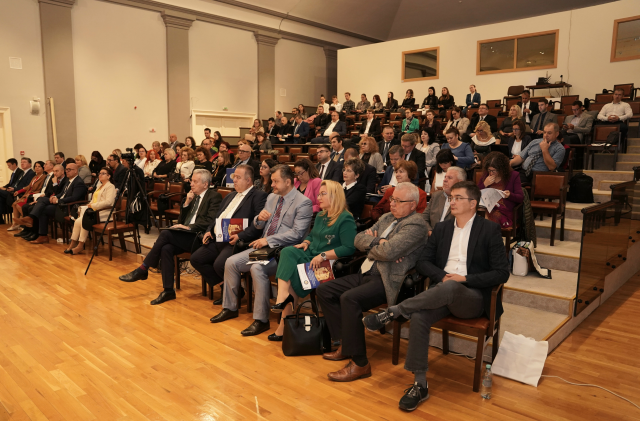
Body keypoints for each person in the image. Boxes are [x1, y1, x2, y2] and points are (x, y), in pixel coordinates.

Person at [362, 181, 510, 412]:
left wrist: (464, 279)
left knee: (450, 287)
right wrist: (442, 276)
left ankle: (395, 311)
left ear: (473, 203)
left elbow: (501, 273)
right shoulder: (442, 228)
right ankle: (419, 384)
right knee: (420, 316)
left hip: (471, 297)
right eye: (451, 198)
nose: (452, 201)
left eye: (458, 198)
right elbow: (423, 262)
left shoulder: (489, 230)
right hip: (440, 291)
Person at [318, 182, 427, 382]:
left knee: (349, 298)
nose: (392, 204)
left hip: (388, 280)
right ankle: (346, 344)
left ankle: (360, 364)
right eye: (392, 199)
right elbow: (357, 240)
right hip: (366, 272)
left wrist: (376, 247)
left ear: (412, 205)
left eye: (398, 201)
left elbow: (389, 252)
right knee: (325, 290)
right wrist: (378, 242)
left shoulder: (416, 224)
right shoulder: (386, 218)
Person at [210, 165, 313, 337]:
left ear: (288, 182)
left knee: (257, 268)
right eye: (272, 181)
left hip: (283, 252)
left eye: (275, 181)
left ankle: (261, 320)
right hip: (263, 247)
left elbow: (297, 234)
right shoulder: (272, 197)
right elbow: (258, 224)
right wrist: (259, 219)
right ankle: (230, 308)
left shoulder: (303, 202)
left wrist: (268, 240)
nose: (272, 185)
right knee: (231, 262)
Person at [119, 170, 223, 304]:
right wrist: (186, 203)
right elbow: (181, 220)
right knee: (166, 248)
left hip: (199, 237)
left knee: (166, 234)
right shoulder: (193, 197)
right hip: (187, 235)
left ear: (205, 184)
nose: (191, 184)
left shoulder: (214, 196)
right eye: (191, 181)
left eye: (195, 181)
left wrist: (189, 227)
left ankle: (143, 268)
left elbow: (210, 221)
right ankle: (168, 291)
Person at [270, 180, 357, 338]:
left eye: (323, 194)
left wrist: (323, 255)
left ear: (335, 196)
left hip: (327, 263)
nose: (318, 197)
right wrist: (306, 242)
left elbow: (349, 248)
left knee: (291, 276)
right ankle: (282, 297)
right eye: (319, 194)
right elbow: (312, 235)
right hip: (310, 255)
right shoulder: (321, 216)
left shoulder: (345, 219)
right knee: (287, 251)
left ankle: (283, 325)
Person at [188, 166, 268, 297]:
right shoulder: (230, 195)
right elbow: (217, 217)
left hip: (237, 241)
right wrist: (209, 230)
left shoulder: (259, 196)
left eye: (238, 177)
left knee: (219, 265)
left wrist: (240, 236)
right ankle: (229, 289)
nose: (234, 180)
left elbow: (257, 225)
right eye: (234, 177)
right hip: (218, 237)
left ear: (248, 180)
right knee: (196, 259)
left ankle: (231, 294)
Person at [16, 163, 87, 244]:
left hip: (67, 207)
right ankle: (32, 221)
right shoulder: (70, 180)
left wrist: (58, 200)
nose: (67, 171)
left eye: (69, 170)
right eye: (66, 169)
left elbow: (74, 198)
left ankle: (41, 234)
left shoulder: (78, 182)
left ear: (75, 171)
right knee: (41, 199)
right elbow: (62, 193)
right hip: (60, 204)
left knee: (43, 210)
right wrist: (55, 197)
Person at [64, 166, 117, 255]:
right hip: (94, 211)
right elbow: (93, 200)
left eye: (103, 173)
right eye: (99, 173)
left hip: (104, 212)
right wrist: (89, 205)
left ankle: (80, 245)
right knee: (78, 221)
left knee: (83, 220)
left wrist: (93, 206)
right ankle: (73, 243)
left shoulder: (110, 186)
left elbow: (109, 202)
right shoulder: (99, 186)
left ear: (109, 176)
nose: (100, 175)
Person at [15, 163, 63, 241]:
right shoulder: (52, 178)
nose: (55, 173)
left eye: (56, 171)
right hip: (50, 199)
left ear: (62, 171)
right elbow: (50, 192)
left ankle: (36, 232)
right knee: (26, 206)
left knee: (36, 208)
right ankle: (28, 230)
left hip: (58, 203)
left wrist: (54, 184)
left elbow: (58, 193)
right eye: (54, 171)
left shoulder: (62, 180)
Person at [478, 152, 524, 228]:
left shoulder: (513, 175)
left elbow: (520, 198)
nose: (491, 173)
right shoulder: (486, 175)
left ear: (502, 169)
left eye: (494, 171)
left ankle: (487, 233)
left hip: (505, 211)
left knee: (488, 218)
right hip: (487, 207)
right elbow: (475, 193)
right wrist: (484, 184)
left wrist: (510, 195)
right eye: (489, 170)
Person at [424, 166, 465, 235]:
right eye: (445, 177)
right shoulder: (436, 195)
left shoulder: (464, 200)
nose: (445, 180)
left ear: (460, 182)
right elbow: (424, 217)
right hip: (431, 236)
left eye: (449, 178)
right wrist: (430, 232)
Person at [7, 161, 47, 231]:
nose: (37, 168)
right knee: (14, 204)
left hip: (34, 195)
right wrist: (19, 191)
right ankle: (16, 224)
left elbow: (40, 189)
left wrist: (30, 194)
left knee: (18, 205)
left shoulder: (44, 177)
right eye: (36, 166)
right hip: (28, 194)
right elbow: (28, 186)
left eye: (39, 166)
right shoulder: (35, 177)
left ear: (43, 168)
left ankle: (28, 221)